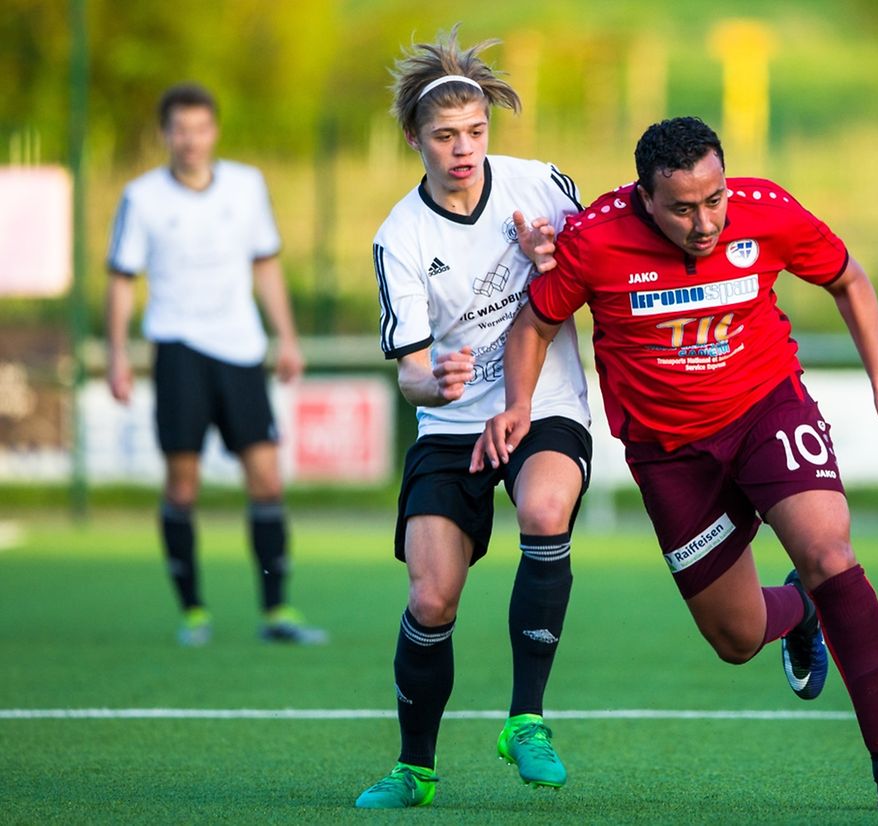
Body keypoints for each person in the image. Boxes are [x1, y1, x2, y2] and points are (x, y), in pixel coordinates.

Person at [474, 116, 878, 813]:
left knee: (829, 552)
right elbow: (537, 322)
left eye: (714, 199)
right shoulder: (596, 239)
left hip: (765, 411)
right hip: (671, 456)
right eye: (683, 208)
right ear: (645, 198)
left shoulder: (767, 211)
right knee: (738, 637)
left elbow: (848, 278)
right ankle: (798, 610)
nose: (705, 223)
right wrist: (517, 403)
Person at [352, 27, 592, 810]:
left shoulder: (543, 187)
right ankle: (414, 769)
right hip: (452, 429)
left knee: (545, 507)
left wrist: (556, 265)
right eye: (446, 136)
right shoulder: (401, 237)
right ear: (415, 140)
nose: (464, 149)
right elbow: (410, 377)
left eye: (476, 132)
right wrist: (438, 383)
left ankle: (526, 721)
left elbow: (604, 278)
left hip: (545, 404)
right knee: (431, 600)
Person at [105, 84, 325, 648]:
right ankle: (194, 612)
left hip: (241, 350)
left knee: (267, 479)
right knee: (183, 488)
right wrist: (117, 355)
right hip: (178, 350)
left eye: (201, 128)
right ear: (165, 134)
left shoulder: (247, 187)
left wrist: (288, 338)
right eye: (180, 129)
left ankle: (277, 610)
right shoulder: (142, 197)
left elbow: (267, 266)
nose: (191, 140)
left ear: (214, 132)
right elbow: (122, 279)